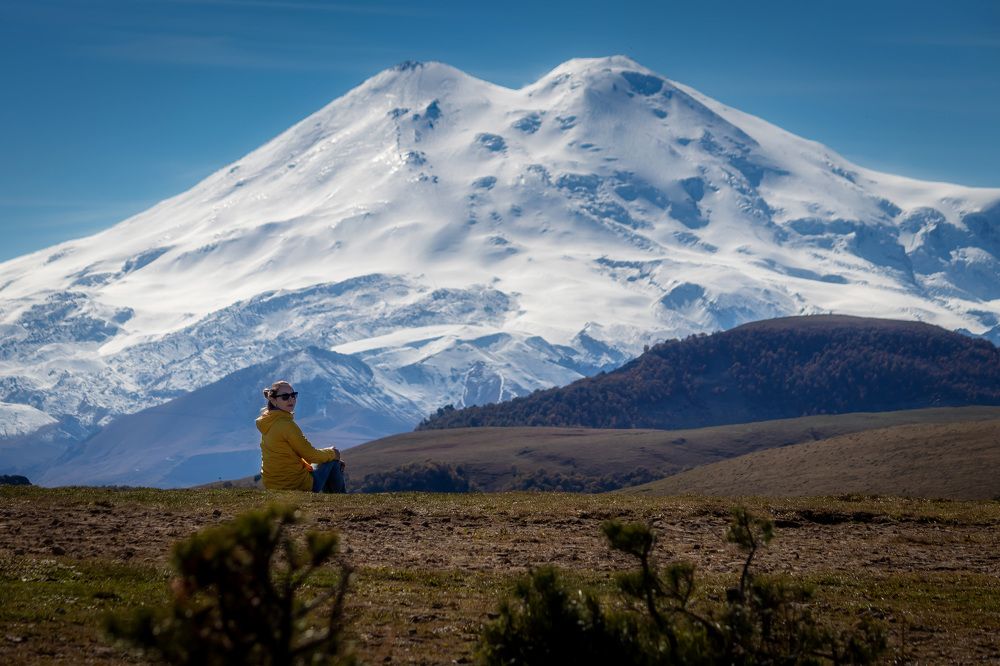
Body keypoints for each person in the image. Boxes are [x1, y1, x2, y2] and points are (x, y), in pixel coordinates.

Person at [256, 380, 347, 492]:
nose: (291, 399)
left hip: (273, 485)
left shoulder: (268, 423)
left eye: (293, 395)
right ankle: (339, 500)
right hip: (296, 485)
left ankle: (331, 499)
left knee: (328, 458)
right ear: (273, 400)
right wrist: (334, 453)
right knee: (332, 460)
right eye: (285, 396)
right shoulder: (286, 425)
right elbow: (311, 456)